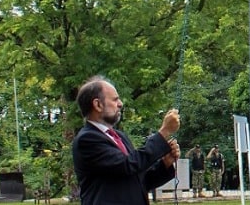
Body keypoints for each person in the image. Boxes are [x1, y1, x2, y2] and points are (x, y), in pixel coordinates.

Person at [71, 75, 181, 205]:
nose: (120, 104)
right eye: (115, 99)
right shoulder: (87, 139)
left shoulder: (120, 136)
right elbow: (127, 165)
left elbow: (139, 181)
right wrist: (164, 132)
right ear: (98, 104)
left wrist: (165, 164)